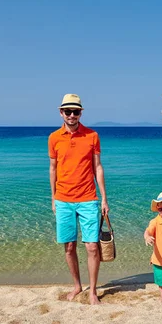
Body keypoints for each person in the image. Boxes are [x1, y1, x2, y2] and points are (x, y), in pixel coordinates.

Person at [48, 94, 109, 305]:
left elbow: (98, 167)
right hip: (63, 198)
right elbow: (53, 169)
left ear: (80, 113)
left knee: (92, 246)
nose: (71, 115)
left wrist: (104, 199)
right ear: (61, 112)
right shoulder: (54, 138)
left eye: (75, 111)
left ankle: (92, 291)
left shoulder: (92, 136)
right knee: (69, 247)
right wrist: (53, 198)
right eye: (67, 111)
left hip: (88, 198)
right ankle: (77, 286)